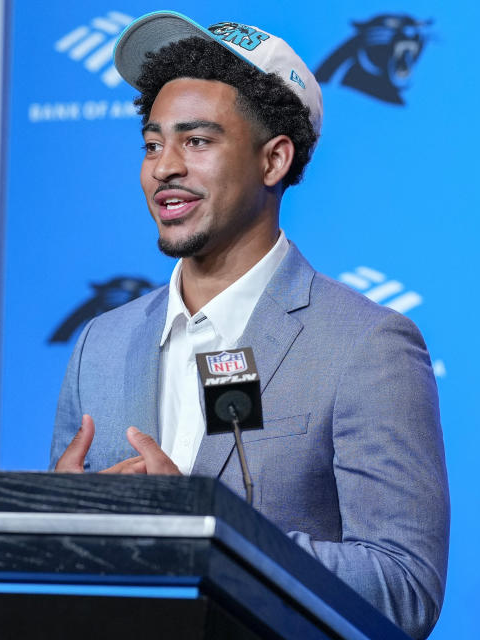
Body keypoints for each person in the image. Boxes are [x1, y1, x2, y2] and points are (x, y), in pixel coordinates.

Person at [50, 11, 449, 638]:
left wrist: (204, 526)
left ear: (274, 160)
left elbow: (404, 589)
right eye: (153, 144)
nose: (163, 168)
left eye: (197, 142)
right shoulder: (100, 344)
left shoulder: (366, 346)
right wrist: (59, 522)